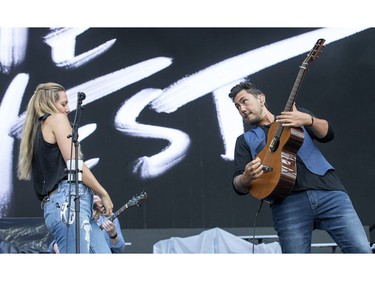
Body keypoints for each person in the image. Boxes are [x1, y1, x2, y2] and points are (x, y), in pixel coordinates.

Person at [228, 80, 372, 253]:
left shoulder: (296, 115)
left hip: (329, 193)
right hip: (286, 204)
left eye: (244, 101)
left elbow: (328, 134)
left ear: (261, 98)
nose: (242, 109)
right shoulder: (244, 141)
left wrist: (309, 120)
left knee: (362, 251)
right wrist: (245, 177)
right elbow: (238, 185)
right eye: (237, 107)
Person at [17, 82, 114, 253]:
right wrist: (103, 193)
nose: (68, 109)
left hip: (64, 204)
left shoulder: (37, 131)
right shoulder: (56, 119)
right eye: (63, 103)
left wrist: (89, 201)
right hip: (67, 204)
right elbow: (75, 165)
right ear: (48, 103)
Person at [50, 195, 126, 253]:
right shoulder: (74, 215)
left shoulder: (110, 217)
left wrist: (112, 234)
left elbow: (119, 249)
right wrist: (55, 246)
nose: (95, 196)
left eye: (97, 194)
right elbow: (53, 244)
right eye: (91, 193)